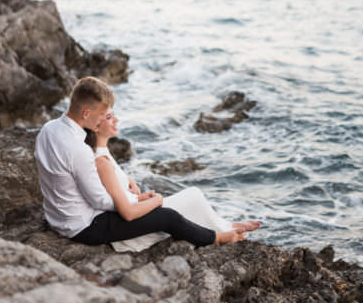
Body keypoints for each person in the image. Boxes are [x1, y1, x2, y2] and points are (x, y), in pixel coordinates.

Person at [34, 76, 245, 247]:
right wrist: (139, 201)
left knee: (157, 210)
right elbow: (100, 201)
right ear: (86, 112)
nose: (102, 120)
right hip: (85, 227)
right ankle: (216, 238)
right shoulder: (79, 149)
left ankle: (216, 226)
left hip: (57, 219)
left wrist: (133, 197)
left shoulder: (48, 129)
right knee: (167, 217)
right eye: (101, 115)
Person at [85, 110, 260, 252]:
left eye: (113, 114)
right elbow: (123, 209)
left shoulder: (102, 151)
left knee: (193, 197)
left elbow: (112, 188)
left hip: (133, 208)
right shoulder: (100, 161)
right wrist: (153, 201)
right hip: (130, 226)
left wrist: (130, 183)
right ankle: (221, 233)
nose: (116, 120)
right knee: (191, 197)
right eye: (109, 117)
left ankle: (224, 225)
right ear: (96, 126)